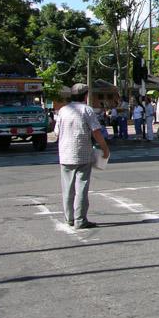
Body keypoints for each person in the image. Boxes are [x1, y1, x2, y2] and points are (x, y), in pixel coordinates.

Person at [55, 83, 109, 229]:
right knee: (81, 187)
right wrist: (104, 148)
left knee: (67, 188)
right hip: (82, 153)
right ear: (85, 95)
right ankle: (80, 220)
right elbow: (96, 132)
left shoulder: (63, 110)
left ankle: (69, 218)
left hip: (65, 153)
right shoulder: (87, 110)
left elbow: (57, 132)